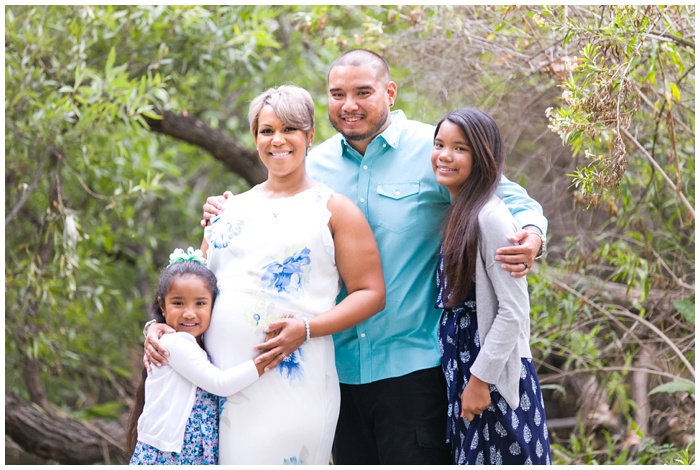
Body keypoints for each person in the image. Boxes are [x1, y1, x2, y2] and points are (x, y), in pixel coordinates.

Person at [197, 50, 548, 465]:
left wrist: (532, 236)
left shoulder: (434, 150)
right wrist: (225, 211)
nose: (349, 105)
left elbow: (504, 196)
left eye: (363, 92)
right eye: (337, 94)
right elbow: (272, 224)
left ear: (390, 92)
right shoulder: (314, 164)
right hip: (334, 370)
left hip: (414, 369)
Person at [145, 85, 385, 465]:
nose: (277, 140)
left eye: (289, 129)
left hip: (293, 383)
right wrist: (158, 327)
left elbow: (371, 293)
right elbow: (193, 289)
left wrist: (307, 329)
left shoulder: (335, 210)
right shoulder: (228, 209)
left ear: (309, 136)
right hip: (217, 390)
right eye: (266, 130)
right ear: (255, 138)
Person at [431, 108, 551, 464]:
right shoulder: (461, 212)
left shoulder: (490, 216)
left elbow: (513, 311)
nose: (445, 156)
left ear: (483, 156)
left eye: (460, 148)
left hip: (491, 372)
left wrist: (481, 380)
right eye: (439, 144)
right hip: (465, 366)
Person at [127, 247, 275, 465]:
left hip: (190, 451)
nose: (189, 312)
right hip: (170, 456)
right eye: (178, 303)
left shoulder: (197, 343)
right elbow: (220, 383)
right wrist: (267, 361)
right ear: (162, 305)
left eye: (200, 303)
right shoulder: (175, 343)